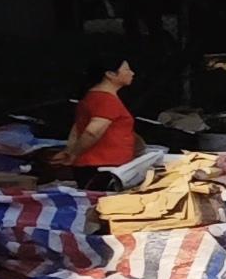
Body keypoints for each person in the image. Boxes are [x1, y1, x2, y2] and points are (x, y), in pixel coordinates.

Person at [59, 58, 165, 190]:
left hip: (101, 165)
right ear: (110, 74)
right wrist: (73, 154)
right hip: (103, 166)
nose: (132, 73)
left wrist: (70, 151)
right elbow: (92, 131)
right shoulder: (106, 99)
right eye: (126, 69)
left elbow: (77, 128)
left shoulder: (93, 96)